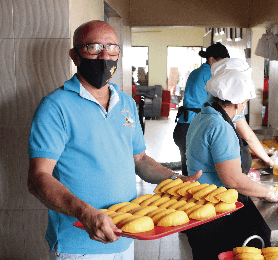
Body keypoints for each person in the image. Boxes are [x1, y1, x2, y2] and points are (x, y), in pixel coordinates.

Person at [27, 20, 201, 260]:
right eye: (94, 47)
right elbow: (38, 178)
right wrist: (86, 213)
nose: (104, 56)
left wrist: (176, 179)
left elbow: (139, 159)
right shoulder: (55, 107)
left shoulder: (126, 103)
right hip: (80, 244)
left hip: (124, 234)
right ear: (74, 56)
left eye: (112, 48)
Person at [185, 58, 278, 259]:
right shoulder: (220, 127)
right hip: (213, 213)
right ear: (237, 102)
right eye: (245, 103)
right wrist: (271, 193)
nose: (244, 107)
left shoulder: (204, 115)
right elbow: (232, 179)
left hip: (199, 206)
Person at [173, 42, 230, 176]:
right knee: (196, 174)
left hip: (183, 126)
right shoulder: (210, 74)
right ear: (212, 60)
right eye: (222, 62)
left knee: (188, 171)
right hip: (192, 127)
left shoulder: (197, 72)